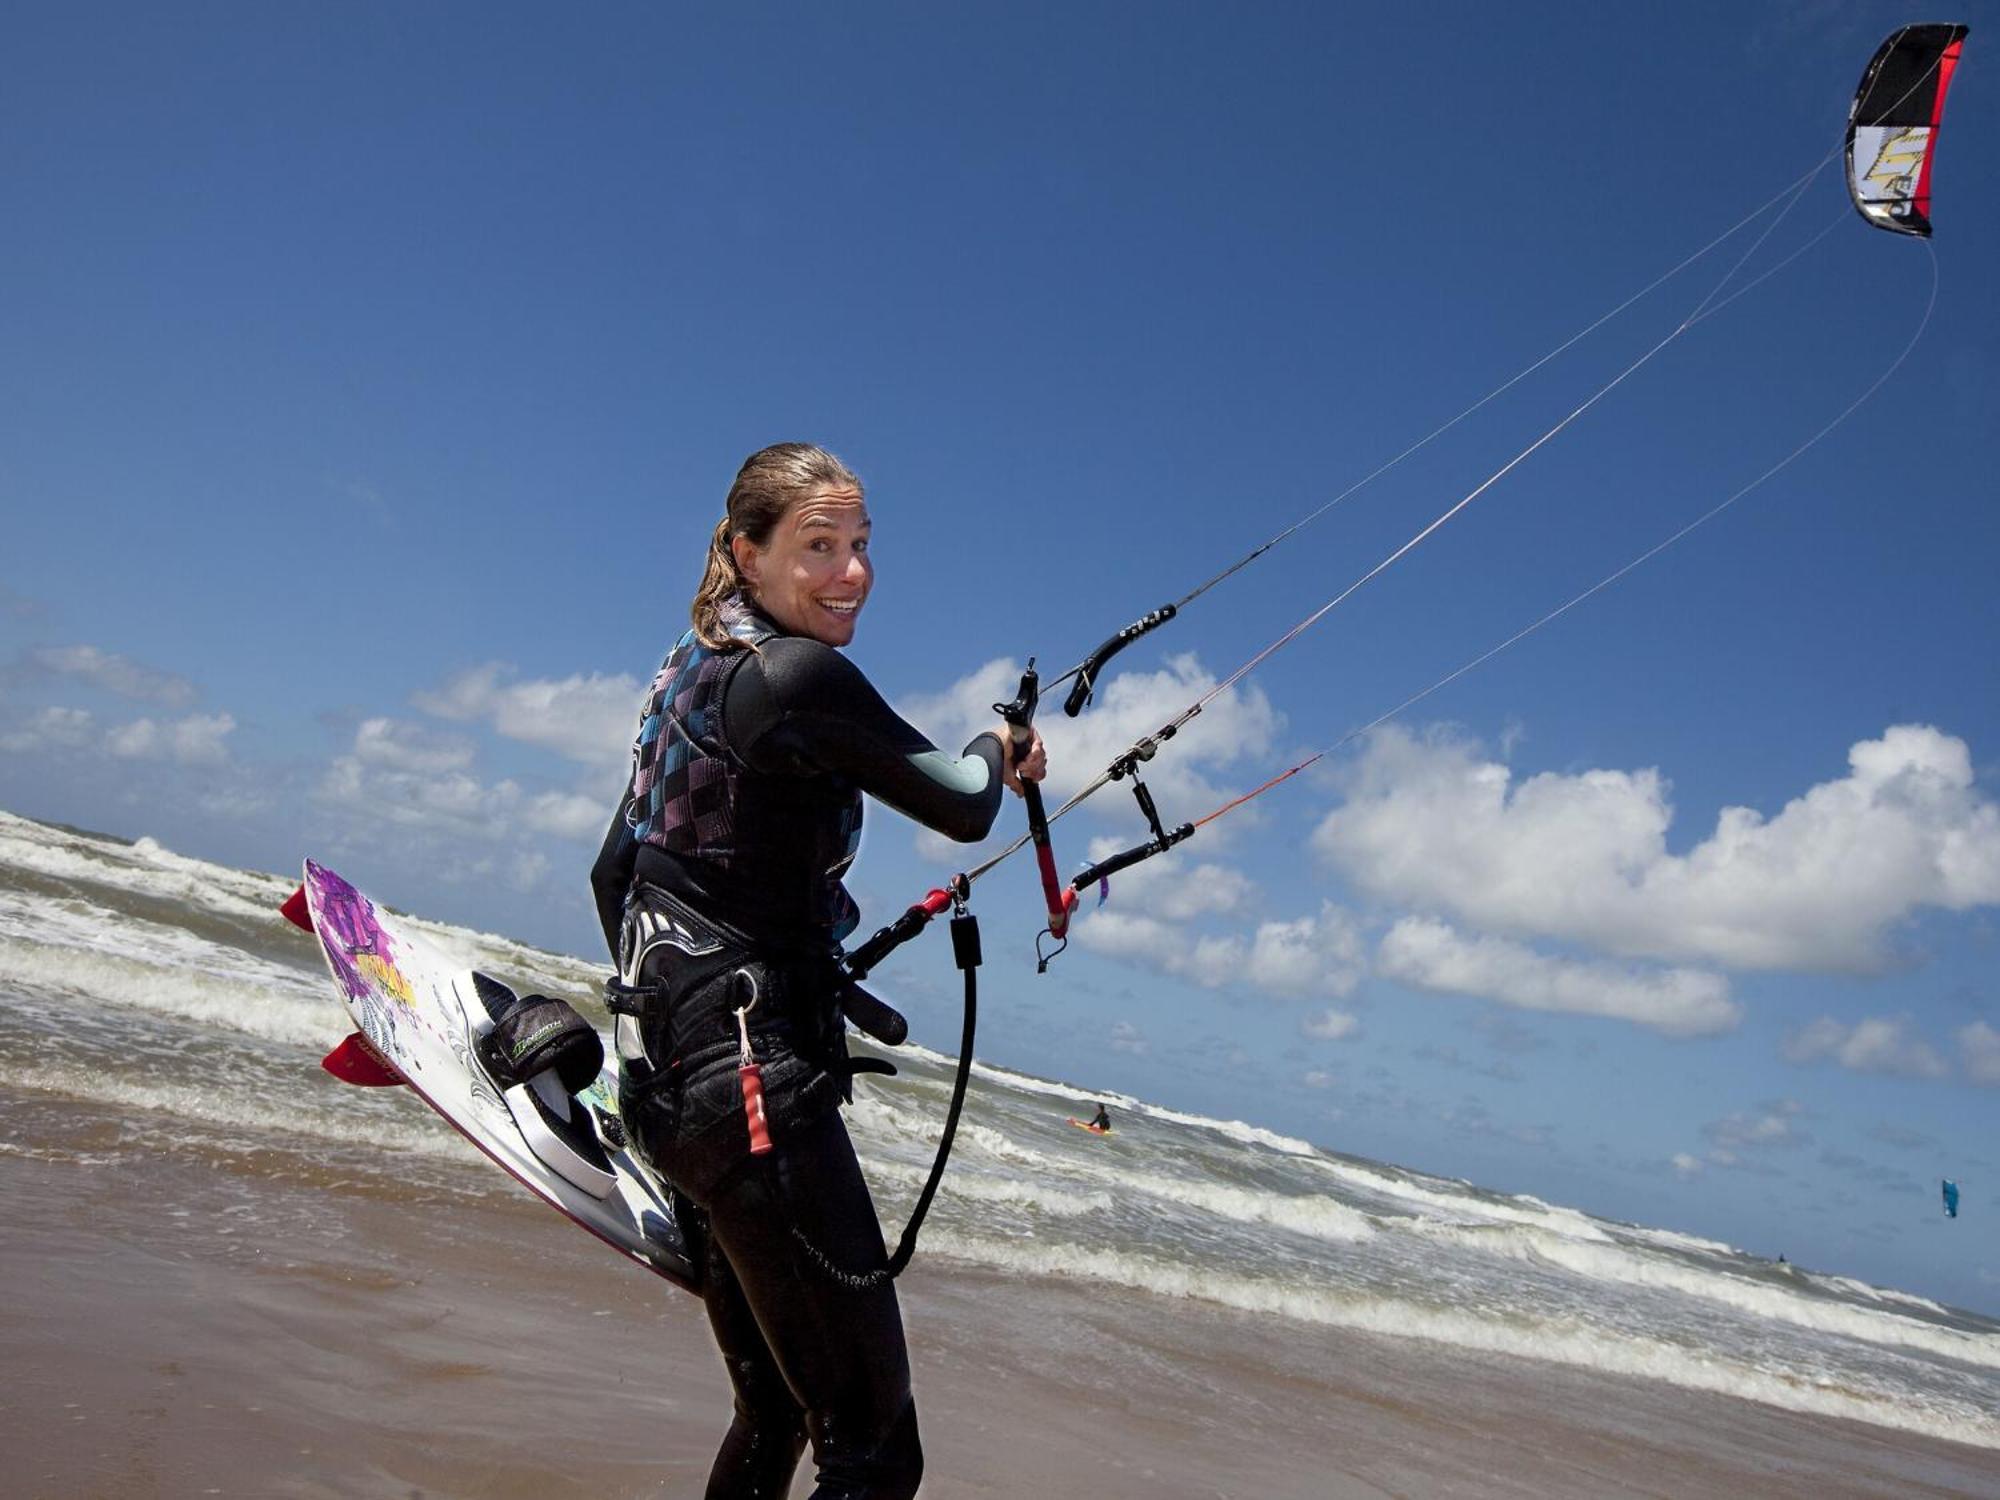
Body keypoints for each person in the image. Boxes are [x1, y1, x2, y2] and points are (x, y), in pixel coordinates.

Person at [591, 442, 1046, 1500]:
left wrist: (660, 1039)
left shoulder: (686, 677)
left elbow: (614, 874)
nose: (850, 574)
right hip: (756, 1097)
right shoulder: (795, 677)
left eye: (860, 547)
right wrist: (998, 741)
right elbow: (964, 803)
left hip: (673, 1091)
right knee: (872, 1450)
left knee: (780, 1410)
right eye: (817, 547)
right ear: (746, 555)